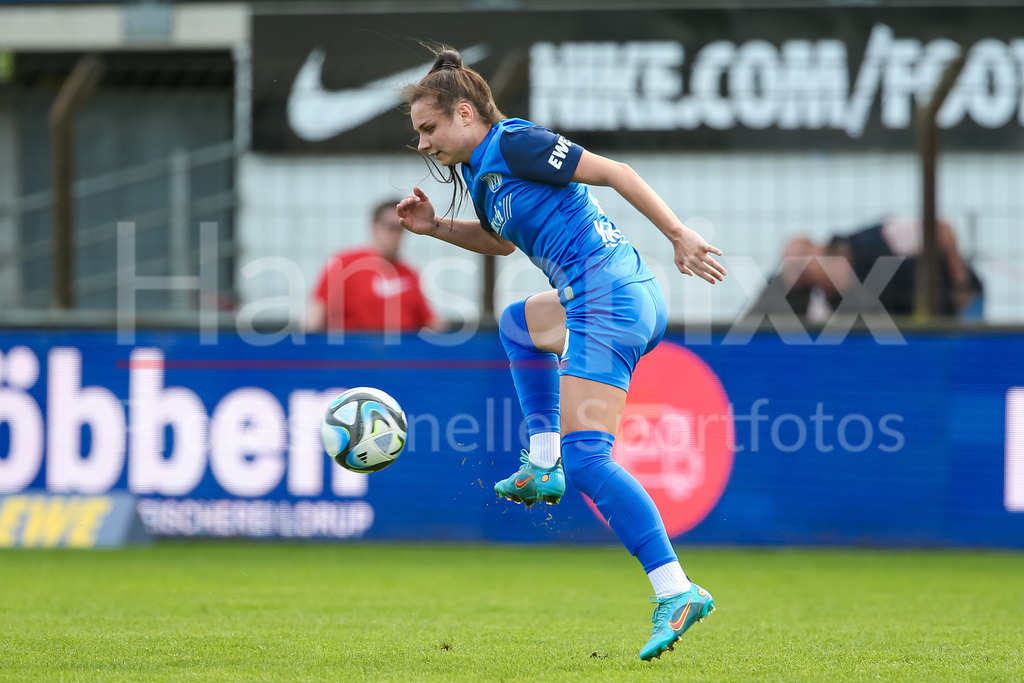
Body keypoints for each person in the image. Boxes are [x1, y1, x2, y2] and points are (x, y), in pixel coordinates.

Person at [395, 45, 726, 661]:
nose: (422, 144)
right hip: (598, 297)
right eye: (418, 133)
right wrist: (436, 226)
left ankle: (675, 589)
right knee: (519, 324)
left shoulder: (516, 142)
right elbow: (499, 242)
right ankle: (541, 462)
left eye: (429, 128)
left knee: (591, 461)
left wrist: (679, 234)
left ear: (465, 113)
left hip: (609, 297)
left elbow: (615, 172)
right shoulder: (480, 172)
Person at [747, 217, 983, 321]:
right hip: (919, 323)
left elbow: (941, 228)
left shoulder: (878, 239)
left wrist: (960, 281)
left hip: (962, 299)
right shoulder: (821, 297)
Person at [304, 199, 439, 333]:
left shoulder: (410, 274)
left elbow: (432, 322)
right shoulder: (345, 265)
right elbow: (315, 316)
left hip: (400, 351)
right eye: (391, 227)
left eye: (401, 229)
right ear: (375, 227)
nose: (395, 235)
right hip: (354, 350)